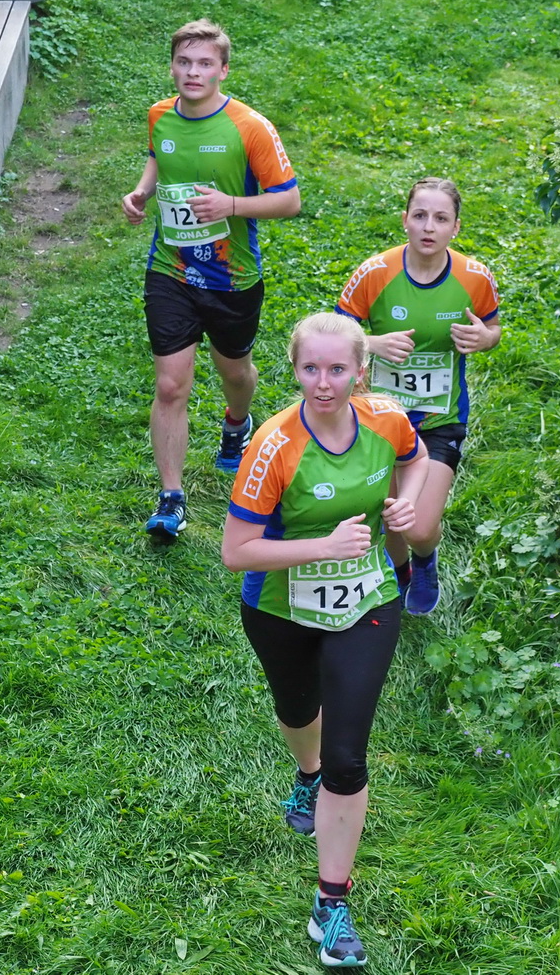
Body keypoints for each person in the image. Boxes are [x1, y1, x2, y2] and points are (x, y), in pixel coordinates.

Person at [223, 312, 428, 968]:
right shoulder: (272, 446)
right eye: (310, 368)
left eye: (337, 369)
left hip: (367, 599)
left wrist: (406, 502)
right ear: (294, 370)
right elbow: (236, 551)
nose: (323, 382)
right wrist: (323, 546)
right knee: (297, 710)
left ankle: (331, 902)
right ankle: (306, 774)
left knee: (348, 755)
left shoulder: (386, 419)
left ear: (360, 372)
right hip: (279, 608)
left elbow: (417, 460)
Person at [122, 20, 302, 543]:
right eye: (184, 62)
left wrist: (232, 205)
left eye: (204, 64)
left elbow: (290, 200)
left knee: (235, 372)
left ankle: (237, 423)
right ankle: (171, 499)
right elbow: (159, 156)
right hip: (171, 269)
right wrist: (142, 193)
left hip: (232, 277)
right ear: (172, 67)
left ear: (223, 70)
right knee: (170, 384)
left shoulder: (249, 127)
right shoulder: (159, 115)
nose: (193, 72)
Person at [335, 177, 501, 615]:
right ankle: (402, 571)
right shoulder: (374, 273)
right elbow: (336, 336)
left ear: (455, 228)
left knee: (420, 527)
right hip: (380, 419)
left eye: (441, 218)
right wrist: (373, 343)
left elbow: (493, 328)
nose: (429, 227)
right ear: (404, 220)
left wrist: (485, 338)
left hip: (439, 420)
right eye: (420, 215)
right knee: (391, 515)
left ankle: (425, 558)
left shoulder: (474, 277)